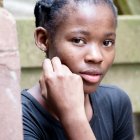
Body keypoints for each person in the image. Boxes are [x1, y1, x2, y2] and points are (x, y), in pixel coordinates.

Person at [21, 0, 134, 139]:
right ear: (44, 39)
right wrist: (72, 115)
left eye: (107, 42)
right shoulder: (18, 117)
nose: (96, 57)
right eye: (78, 40)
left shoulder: (116, 103)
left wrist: (74, 115)